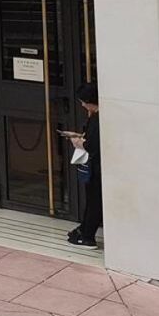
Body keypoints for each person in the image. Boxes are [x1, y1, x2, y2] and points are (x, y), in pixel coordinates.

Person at [64, 82, 102, 248]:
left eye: (83, 102)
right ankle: (84, 230)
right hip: (97, 167)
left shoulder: (97, 119)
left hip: (96, 168)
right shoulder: (96, 117)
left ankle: (87, 236)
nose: (82, 105)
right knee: (93, 201)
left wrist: (78, 142)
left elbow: (92, 145)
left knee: (94, 202)